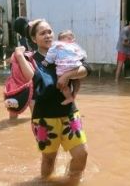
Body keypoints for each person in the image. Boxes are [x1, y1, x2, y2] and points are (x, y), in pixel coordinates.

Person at [13, 19, 89, 182]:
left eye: (49, 32)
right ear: (34, 39)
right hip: (44, 117)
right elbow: (33, 78)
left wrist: (68, 75)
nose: (48, 36)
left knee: (82, 154)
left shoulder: (63, 51)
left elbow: (85, 69)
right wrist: (19, 55)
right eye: (42, 33)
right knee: (49, 159)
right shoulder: (30, 59)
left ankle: (71, 182)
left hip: (69, 112)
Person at [43, 30, 86, 105]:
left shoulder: (56, 45)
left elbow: (51, 55)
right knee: (77, 79)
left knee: (61, 84)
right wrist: (80, 58)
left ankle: (69, 97)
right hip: (75, 64)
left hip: (63, 67)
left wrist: (47, 61)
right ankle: (74, 93)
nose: (47, 36)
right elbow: (82, 54)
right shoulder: (74, 45)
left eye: (49, 33)